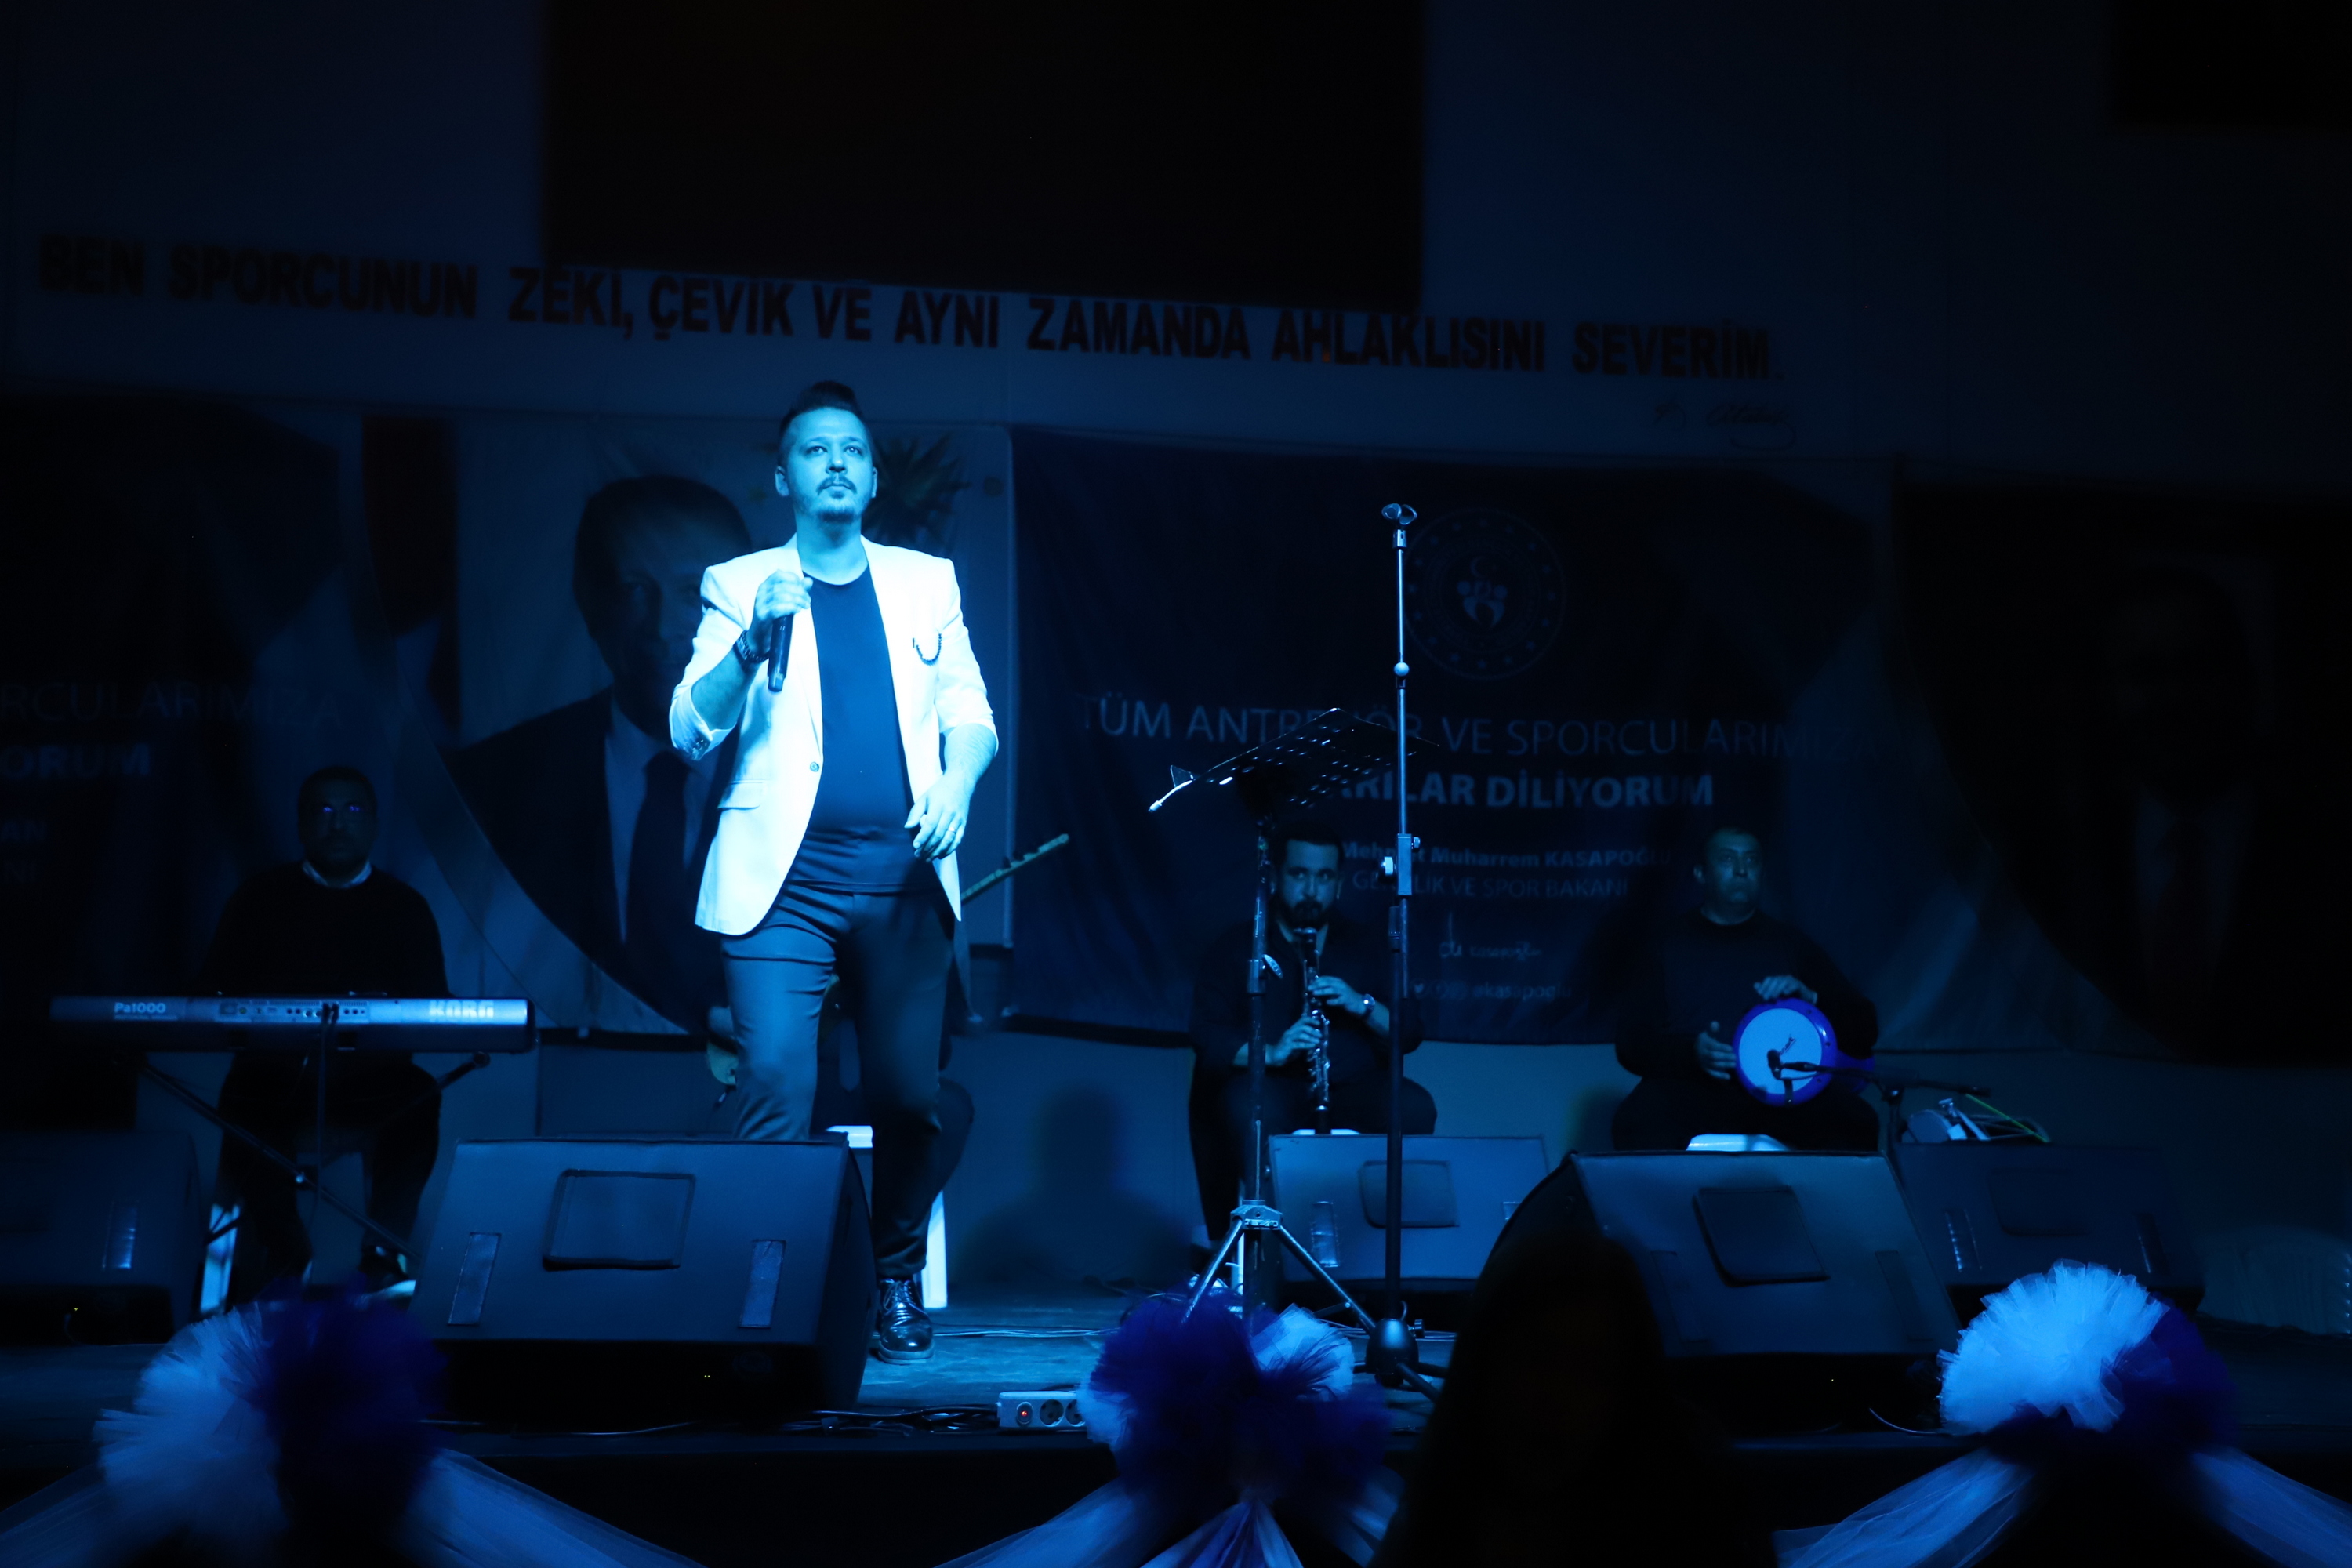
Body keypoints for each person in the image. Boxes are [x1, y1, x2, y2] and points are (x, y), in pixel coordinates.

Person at [670, 380, 995, 1363]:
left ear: (875, 474)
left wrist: (957, 784)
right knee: (774, 1081)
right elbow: (689, 728)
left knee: (908, 1098)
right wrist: (750, 643)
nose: (837, 462)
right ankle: (761, 1292)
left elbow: (972, 715)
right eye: (815, 450)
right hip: (784, 886)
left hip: (903, 880)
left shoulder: (927, 581)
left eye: (853, 448)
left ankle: (890, 1275)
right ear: (783, 477)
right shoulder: (740, 582)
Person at [449, 477, 754, 1034]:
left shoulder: (812, 778)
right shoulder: (492, 783)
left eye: (695, 592)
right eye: (634, 589)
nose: (662, 628)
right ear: (588, 602)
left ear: (748, 610)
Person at [199, 766, 448, 1302]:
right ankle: (286, 1255)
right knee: (243, 1098)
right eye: (324, 811)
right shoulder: (258, 899)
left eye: (353, 811)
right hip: (276, 1078)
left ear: (374, 824)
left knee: (419, 1094)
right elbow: (213, 996)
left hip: (372, 1083)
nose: (338, 825)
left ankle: (382, 1254)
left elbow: (432, 1009)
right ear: (301, 824)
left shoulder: (405, 907)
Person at [1186, 822, 1436, 1239]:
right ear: (1277, 877)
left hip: (1350, 1087)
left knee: (1413, 1107)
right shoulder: (1238, 946)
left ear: (1338, 885)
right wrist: (1273, 1052)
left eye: (1323, 877)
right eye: (1299, 874)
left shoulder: (1366, 945)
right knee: (1244, 1107)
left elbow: (1408, 1033)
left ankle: (1381, 1239)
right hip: (1273, 1087)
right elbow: (1206, 1034)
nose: (1311, 890)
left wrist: (1362, 1005)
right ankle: (1264, 1243)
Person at [1611, 825, 1879, 1152]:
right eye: (1727, 859)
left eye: (1751, 861)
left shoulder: (1791, 945)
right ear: (1701, 873)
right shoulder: (1665, 945)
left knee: (1856, 1122)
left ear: (1761, 873)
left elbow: (1865, 1031)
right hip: (1694, 1087)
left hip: (1780, 1091)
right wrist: (1692, 1053)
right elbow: (1632, 1044)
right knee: (1637, 1121)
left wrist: (1812, 998)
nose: (1741, 870)